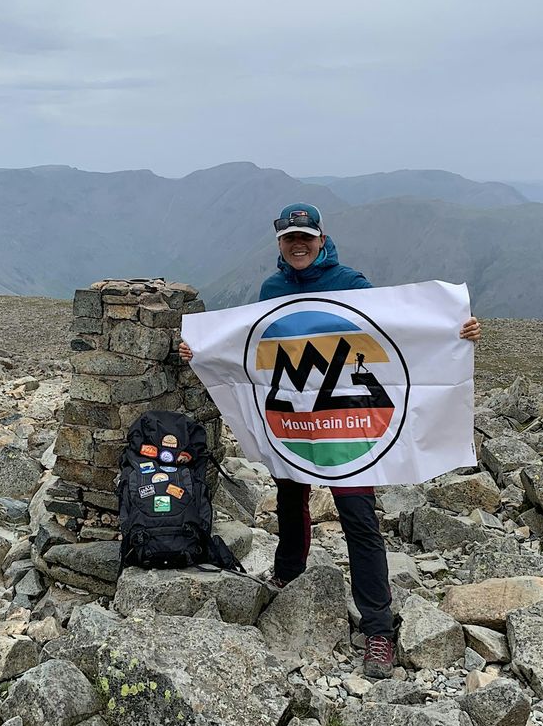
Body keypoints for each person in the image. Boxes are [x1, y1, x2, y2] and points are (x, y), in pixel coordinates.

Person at [179, 202, 481, 678]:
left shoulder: (353, 286)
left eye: (307, 237)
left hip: (346, 423)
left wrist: (455, 331)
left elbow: (397, 332)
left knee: (357, 514)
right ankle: (288, 574)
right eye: (289, 238)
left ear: (322, 239)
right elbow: (253, 346)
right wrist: (202, 350)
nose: (298, 245)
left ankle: (378, 627)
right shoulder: (272, 289)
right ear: (279, 243)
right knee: (289, 497)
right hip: (296, 419)